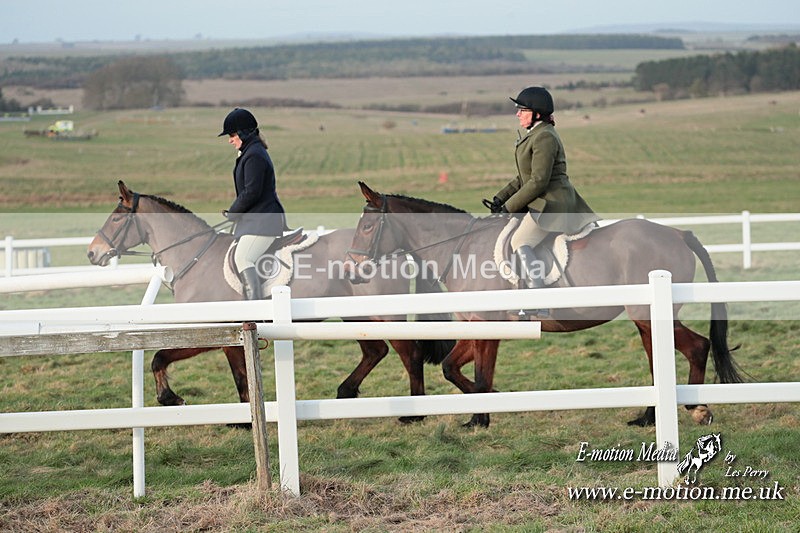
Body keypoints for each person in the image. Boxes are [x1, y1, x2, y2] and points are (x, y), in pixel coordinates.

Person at [488, 86, 599, 289]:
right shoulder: (536, 134)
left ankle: (539, 299)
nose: (518, 114)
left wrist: (509, 207)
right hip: (541, 199)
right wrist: (500, 198)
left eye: (523, 110)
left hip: (552, 203)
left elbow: (538, 181)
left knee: (520, 241)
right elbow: (524, 176)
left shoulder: (544, 137)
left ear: (537, 114)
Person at [218, 108, 286, 300]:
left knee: (243, 258)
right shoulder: (250, 152)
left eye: (232, 135)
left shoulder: (254, 155)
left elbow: (251, 192)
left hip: (264, 223)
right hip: (256, 221)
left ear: (243, 133)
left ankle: (255, 312)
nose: (230, 140)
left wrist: (233, 212)